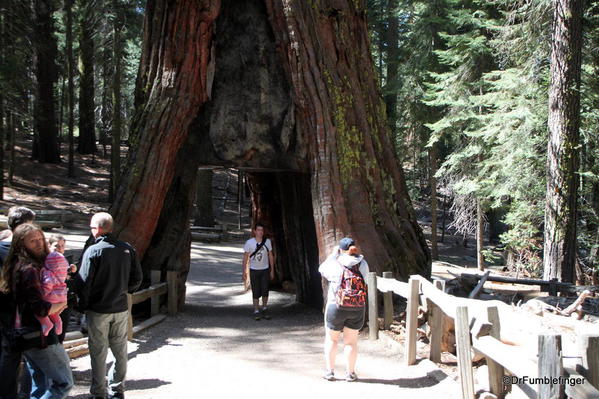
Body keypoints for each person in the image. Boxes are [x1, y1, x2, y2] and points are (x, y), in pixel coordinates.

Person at [0, 223, 73, 399]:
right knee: (64, 383)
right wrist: (62, 303)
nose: (39, 243)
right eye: (33, 241)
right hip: (38, 335)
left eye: (40, 239)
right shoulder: (29, 269)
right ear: (21, 244)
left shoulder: (21, 265)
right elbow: (40, 308)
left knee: (40, 383)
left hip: (26, 334)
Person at [77, 212, 142, 399]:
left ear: (97, 229)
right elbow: (137, 278)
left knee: (98, 352)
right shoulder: (127, 248)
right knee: (120, 350)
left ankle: (98, 392)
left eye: (91, 228)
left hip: (98, 309)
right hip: (120, 308)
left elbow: (84, 282)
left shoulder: (93, 250)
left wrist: (83, 306)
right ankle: (117, 389)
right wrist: (124, 291)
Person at [318, 237, 369, 382]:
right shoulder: (363, 263)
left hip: (336, 306)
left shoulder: (335, 263)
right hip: (357, 307)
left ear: (340, 249)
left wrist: (334, 255)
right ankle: (350, 373)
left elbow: (321, 269)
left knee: (332, 339)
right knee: (351, 342)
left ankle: (330, 371)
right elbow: (365, 281)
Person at [0, 206, 36, 399]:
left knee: (10, 358)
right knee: (13, 358)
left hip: (14, 313)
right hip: (16, 314)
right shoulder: (25, 252)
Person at [242, 223, 275, 320]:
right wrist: (244, 271)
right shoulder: (249, 243)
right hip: (254, 270)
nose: (260, 232)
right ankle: (256, 310)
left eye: (262, 230)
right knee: (255, 291)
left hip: (264, 269)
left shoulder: (267, 242)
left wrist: (272, 270)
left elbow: (270, 256)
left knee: (265, 290)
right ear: (254, 231)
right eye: (259, 230)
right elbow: (245, 257)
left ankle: (264, 308)